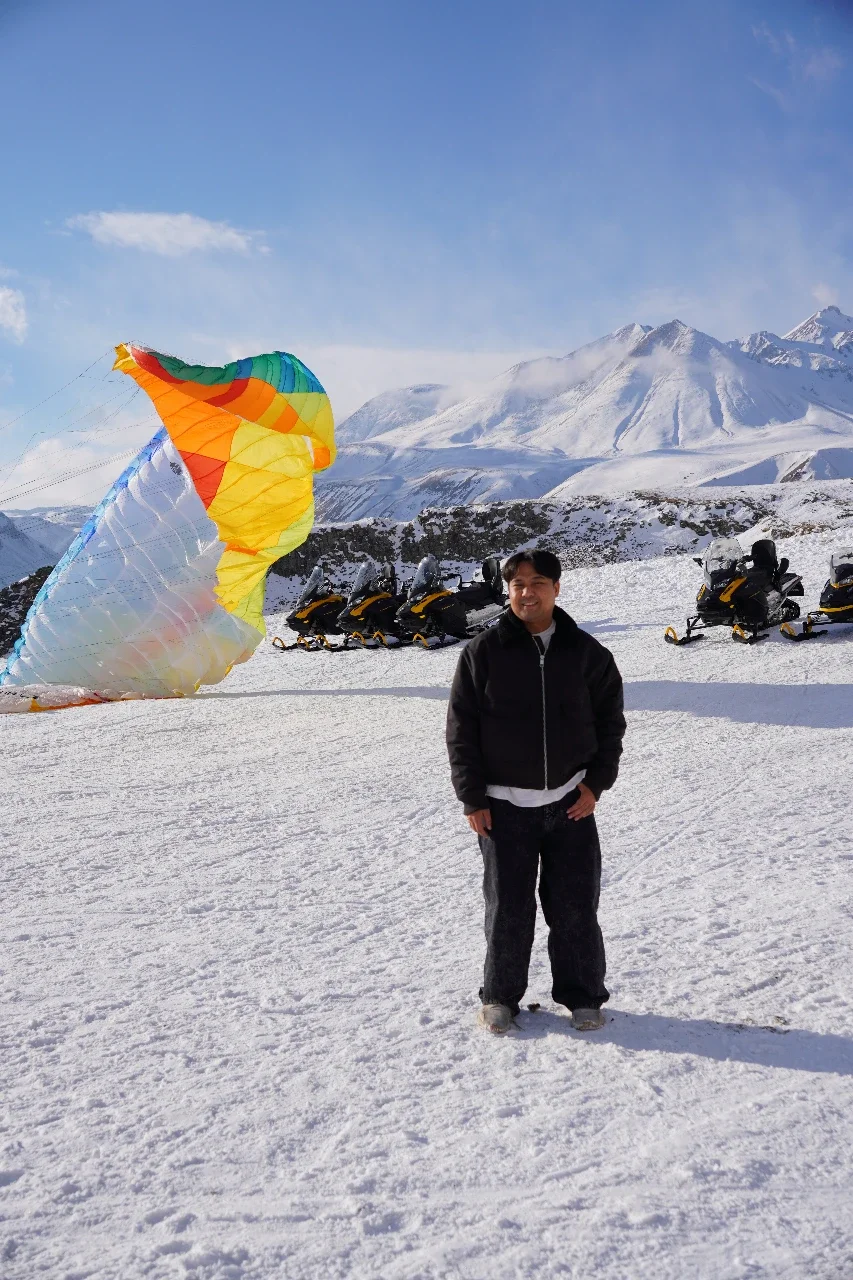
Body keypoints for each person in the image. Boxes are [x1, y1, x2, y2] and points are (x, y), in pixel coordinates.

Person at [446, 549, 626, 1034]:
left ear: (556, 588)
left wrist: (595, 785)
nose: (528, 592)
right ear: (508, 591)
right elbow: (461, 730)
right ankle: (501, 997)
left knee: (574, 909)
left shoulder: (587, 653)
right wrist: (473, 798)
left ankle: (583, 996)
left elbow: (611, 725)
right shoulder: (482, 653)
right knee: (508, 909)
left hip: (571, 805)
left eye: (538, 582)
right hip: (504, 810)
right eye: (519, 584)